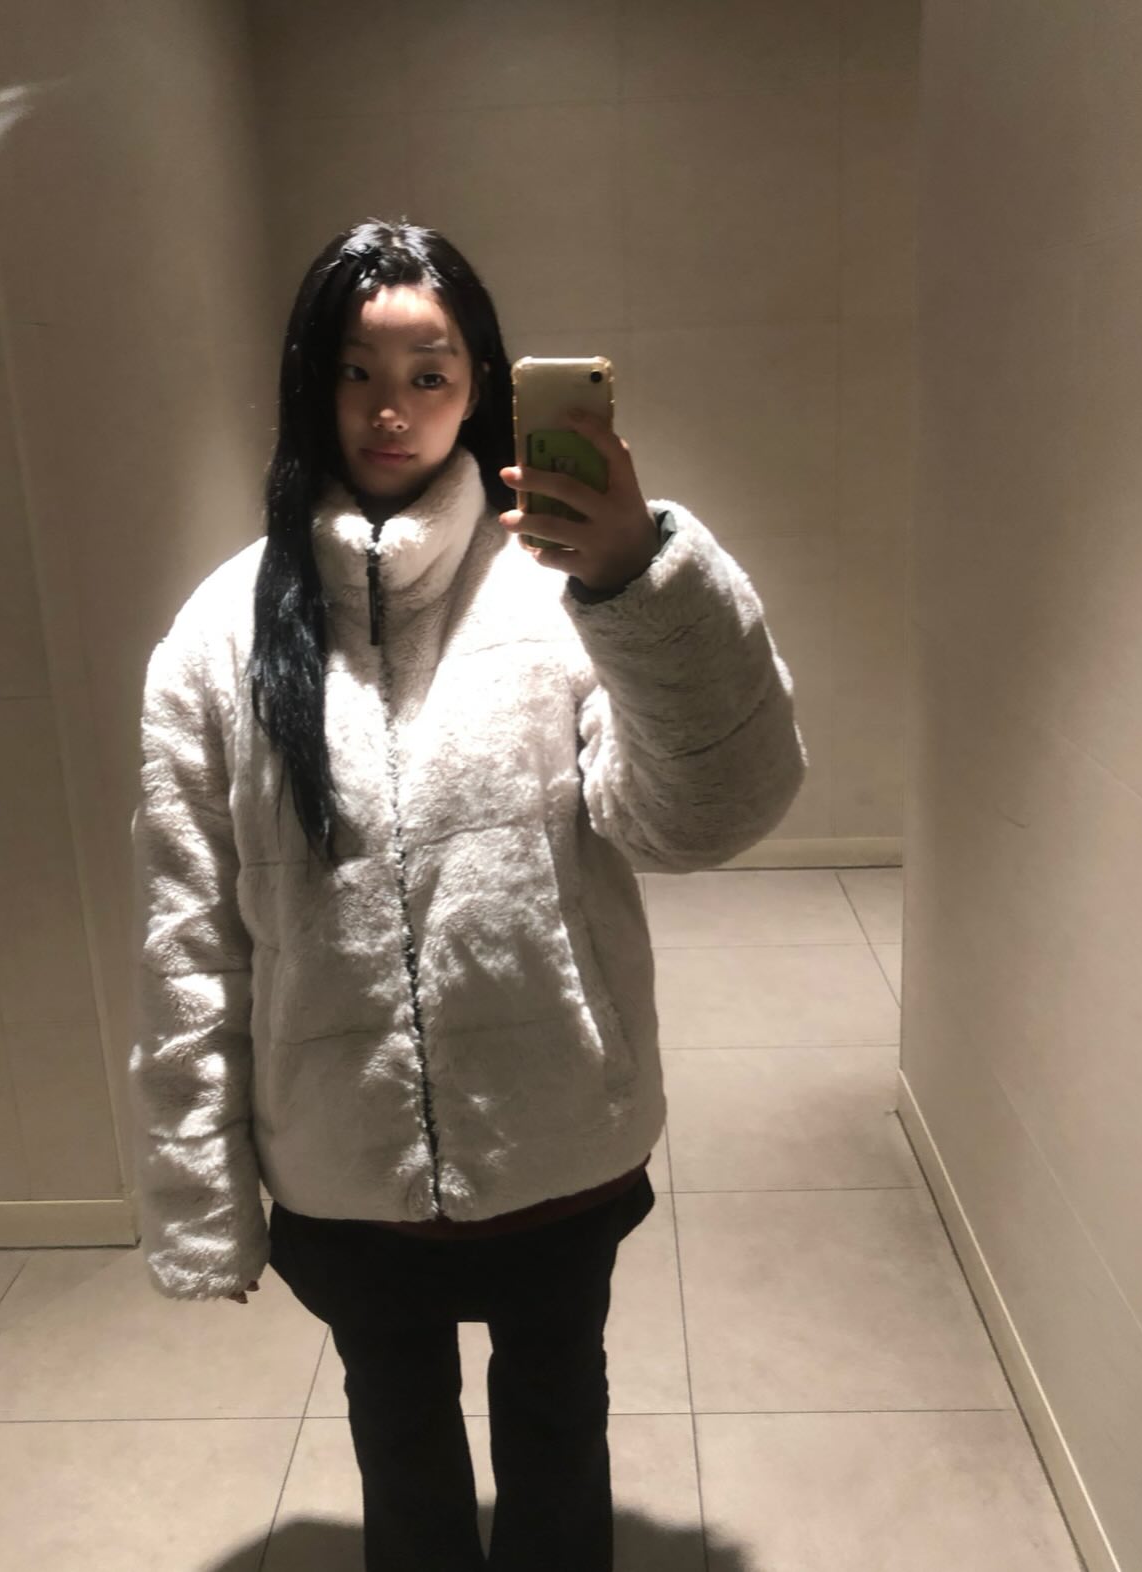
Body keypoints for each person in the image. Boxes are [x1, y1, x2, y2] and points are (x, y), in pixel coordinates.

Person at [128, 216, 808, 1572]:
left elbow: (705, 815)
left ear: (480, 385)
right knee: (402, 1452)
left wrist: (638, 576)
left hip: (555, 1138)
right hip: (343, 1167)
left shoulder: (562, 596)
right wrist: (205, 1185)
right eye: (356, 371)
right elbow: (188, 929)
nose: (391, 409)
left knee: (558, 1435)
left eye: (428, 373)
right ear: (308, 383)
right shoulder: (220, 633)